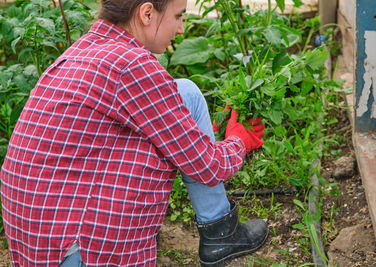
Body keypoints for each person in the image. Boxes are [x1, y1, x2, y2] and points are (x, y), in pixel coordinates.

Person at [0, 0, 268, 266]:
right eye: (178, 16)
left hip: (36, 244)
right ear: (147, 13)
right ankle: (219, 233)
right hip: (77, 251)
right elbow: (207, 165)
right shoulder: (132, 64)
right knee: (183, 139)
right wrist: (240, 141)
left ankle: (218, 230)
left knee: (184, 93)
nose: (182, 29)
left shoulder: (86, 49)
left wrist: (189, 134)